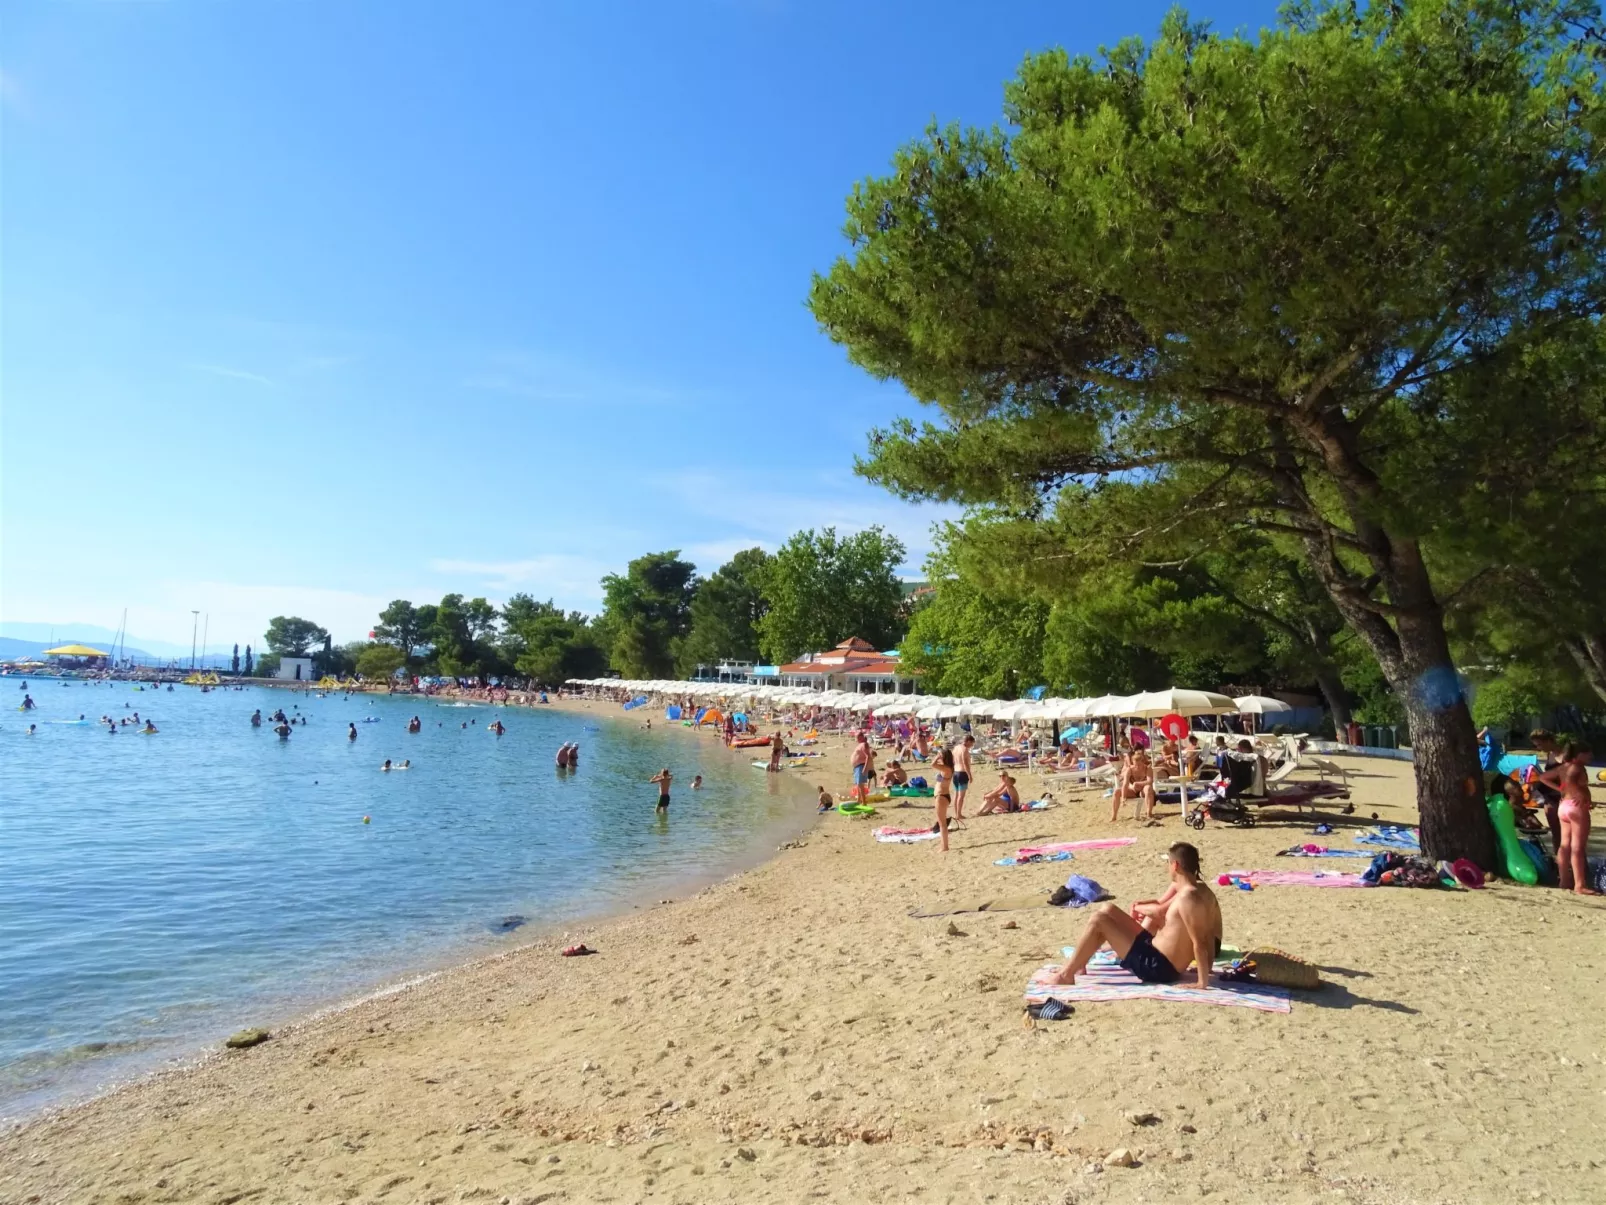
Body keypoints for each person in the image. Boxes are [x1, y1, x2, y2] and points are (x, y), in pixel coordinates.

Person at [1051, 842, 1221, 987]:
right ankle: (1079, 964)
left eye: (1168, 863)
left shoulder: (1187, 898)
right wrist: (1209, 967)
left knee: (1098, 920)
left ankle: (1067, 975)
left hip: (1158, 967)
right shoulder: (1203, 891)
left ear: (1175, 865)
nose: (1167, 867)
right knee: (1108, 909)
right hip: (1154, 950)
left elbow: (1200, 940)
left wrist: (1202, 982)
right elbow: (1210, 934)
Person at [1537, 744, 1599, 895]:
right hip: (1577, 808)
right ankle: (1580, 884)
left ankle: (1564, 880)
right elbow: (1581, 786)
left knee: (1564, 845)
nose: (1590, 757)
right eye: (1587, 754)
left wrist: (1561, 790)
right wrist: (1583, 796)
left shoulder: (1562, 767)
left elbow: (1543, 777)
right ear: (1578, 755)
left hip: (1563, 806)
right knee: (1577, 847)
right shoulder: (1578, 768)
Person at [1113, 748, 1158, 822]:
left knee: (1148, 788)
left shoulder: (1147, 768)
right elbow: (1125, 784)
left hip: (1143, 790)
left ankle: (1149, 813)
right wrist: (1123, 797)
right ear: (1133, 763)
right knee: (1117, 792)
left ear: (1142, 762)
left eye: (1139, 765)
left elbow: (1150, 781)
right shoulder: (1130, 769)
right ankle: (1114, 816)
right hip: (1133, 791)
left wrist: (1137, 783)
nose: (1138, 767)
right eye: (1136, 765)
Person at [933, 746, 956, 853]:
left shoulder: (946, 768)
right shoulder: (946, 767)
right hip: (942, 796)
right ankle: (944, 845)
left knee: (942, 824)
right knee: (941, 823)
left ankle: (944, 846)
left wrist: (937, 756)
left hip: (941, 796)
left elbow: (932, 764)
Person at [953, 734, 974, 821]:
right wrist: (969, 775)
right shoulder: (964, 750)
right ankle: (959, 814)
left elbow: (953, 760)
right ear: (968, 741)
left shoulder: (956, 748)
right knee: (961, 796)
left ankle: (956, 813)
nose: (971, 746)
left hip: (955, 772)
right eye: (971, 744)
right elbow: (965, 763)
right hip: (962, 773)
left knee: (956, 794)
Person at [850, 733, 871, 808]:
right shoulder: (860, 745)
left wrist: (865, 768)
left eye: (857, 737)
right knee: (858, 784)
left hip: (861, 766)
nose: (856, 738)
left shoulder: (864, 744)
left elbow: (868, 756)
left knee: (860, 784)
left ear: (861, 737)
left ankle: (864, 802)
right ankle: (859, 800)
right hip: (857, 766)